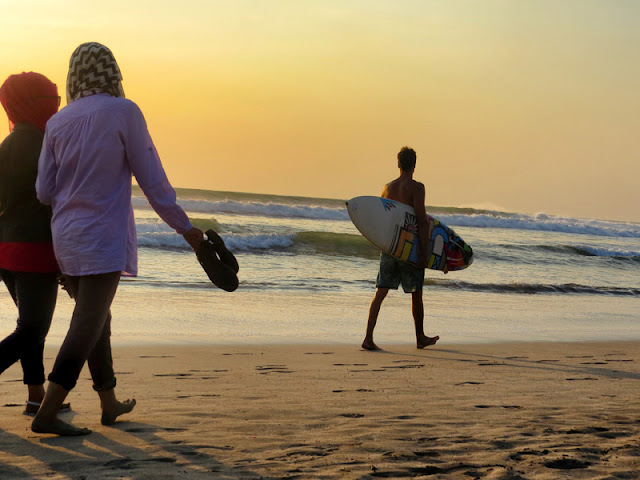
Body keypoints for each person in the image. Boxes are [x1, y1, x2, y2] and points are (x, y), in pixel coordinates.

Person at [31, 42, 203, 436]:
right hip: (101, 239)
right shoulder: (124, 112)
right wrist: (184, 227)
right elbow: (152, 180)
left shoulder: (57, 122)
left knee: (97, 320)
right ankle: (48, 411)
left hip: (66, 239)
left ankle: (109, 403)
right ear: (113, 72)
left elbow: (44, 189)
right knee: (88, 323)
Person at [0, 72, 69, 415]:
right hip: (35, 250)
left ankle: (35, 395)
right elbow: (56, 202)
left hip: (6, 250)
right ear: (32, 104)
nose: (57, 108)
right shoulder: (45, 145)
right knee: (33, 329)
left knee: (29, 326)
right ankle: (36, 395)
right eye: (50, 101)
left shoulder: (8, 144)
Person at [362, 147, 439, 351]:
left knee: (381, 292)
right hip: (409, 248)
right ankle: (420, 337)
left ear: (398, 164)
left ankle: (368, 338)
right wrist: (424, 253)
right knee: (416, 294)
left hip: (390, 247)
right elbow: (421, 222)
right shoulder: (417, 188)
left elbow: (382, 220)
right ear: (414, 165)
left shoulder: (386, 188)